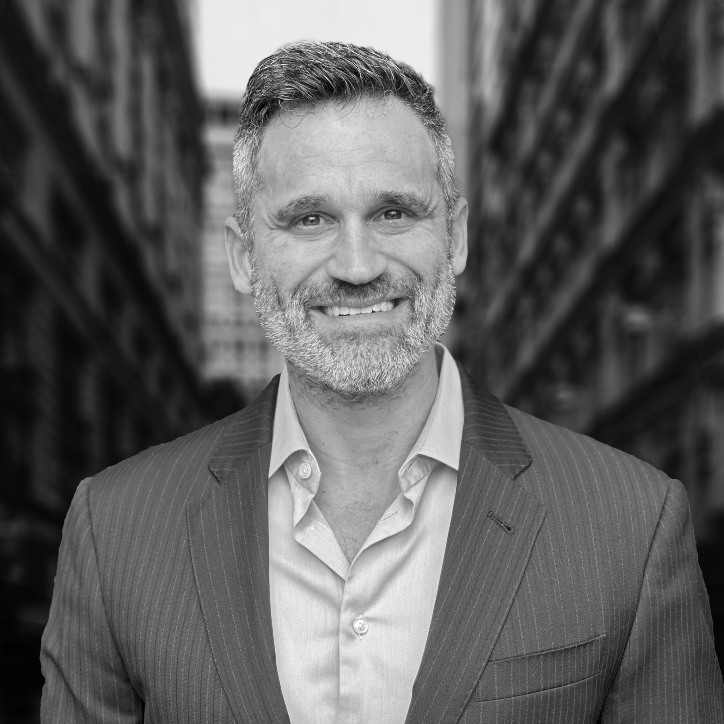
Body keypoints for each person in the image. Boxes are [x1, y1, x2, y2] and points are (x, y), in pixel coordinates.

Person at [40, 41, 723, 723]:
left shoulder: (632, 523)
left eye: (394, 212)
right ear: (245, 257)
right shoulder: (115, 531)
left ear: (454, 236)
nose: (358, 265)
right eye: (310, 219)